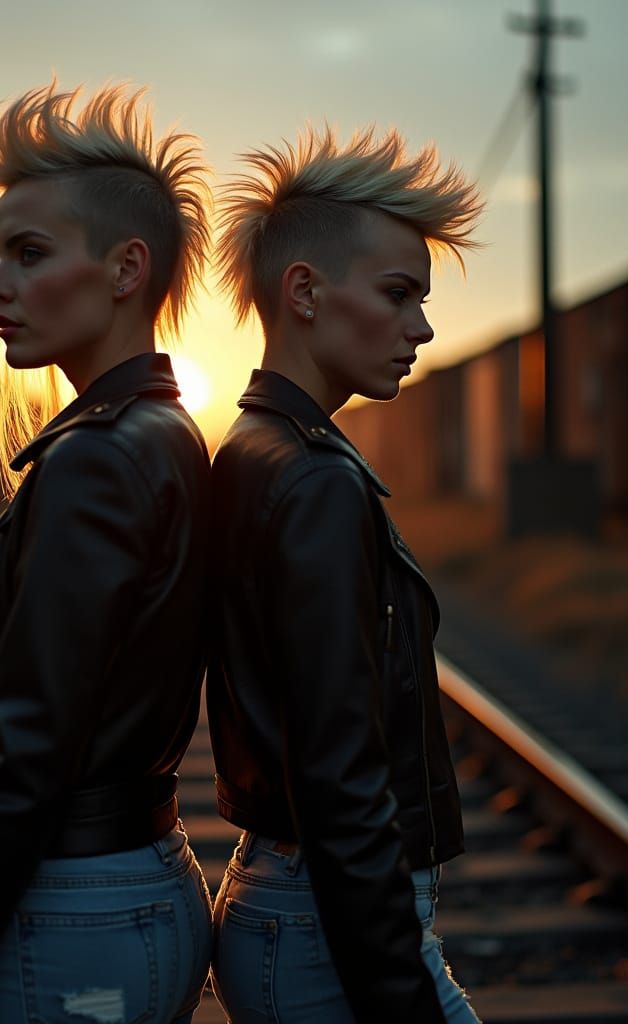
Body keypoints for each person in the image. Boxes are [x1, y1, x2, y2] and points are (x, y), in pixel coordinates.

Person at [0, 82, 214, 1023]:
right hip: (136, 885)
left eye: (28, 254)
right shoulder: (164, 430)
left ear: (124, 268)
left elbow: (25, 761)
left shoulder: (97, 460)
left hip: (76, 923)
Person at [207, 125, 483, 1023]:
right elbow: (341, 772)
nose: (422, 326)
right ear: (307, 291)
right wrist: (401, 995)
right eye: (399, 293)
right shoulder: (318, 479)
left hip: (289, 900)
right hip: (328, 930)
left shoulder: (254, 448)